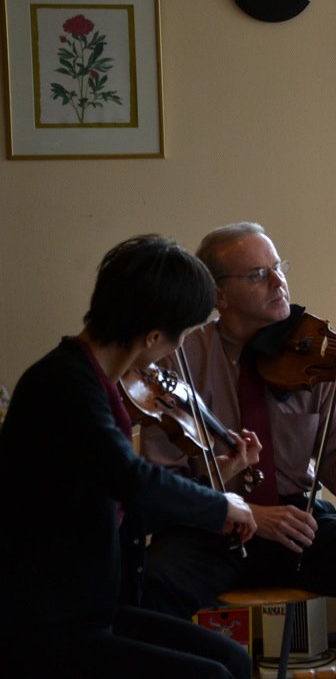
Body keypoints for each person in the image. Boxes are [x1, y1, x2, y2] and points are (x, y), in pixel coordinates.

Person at [140, 222, 336, 656]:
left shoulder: (315, 356)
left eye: (278, 266)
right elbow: (160, 487)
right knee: (151, 581)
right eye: (258, 275)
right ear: (219, 297)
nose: (278, 281)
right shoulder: (179, 359)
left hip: (297, 526)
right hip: (210, 529)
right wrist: (248, 512)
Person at [0, 235, 257, 679]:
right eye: (183, 335)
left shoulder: (93, 384)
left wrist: (214, 486)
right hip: (47, 624)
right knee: (211, 675)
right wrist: (219, 505)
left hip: (95, 610)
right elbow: (131, 477)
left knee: (233, 660)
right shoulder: (62, 384)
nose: (176, 352)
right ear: (153, 335)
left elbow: (125, 508)